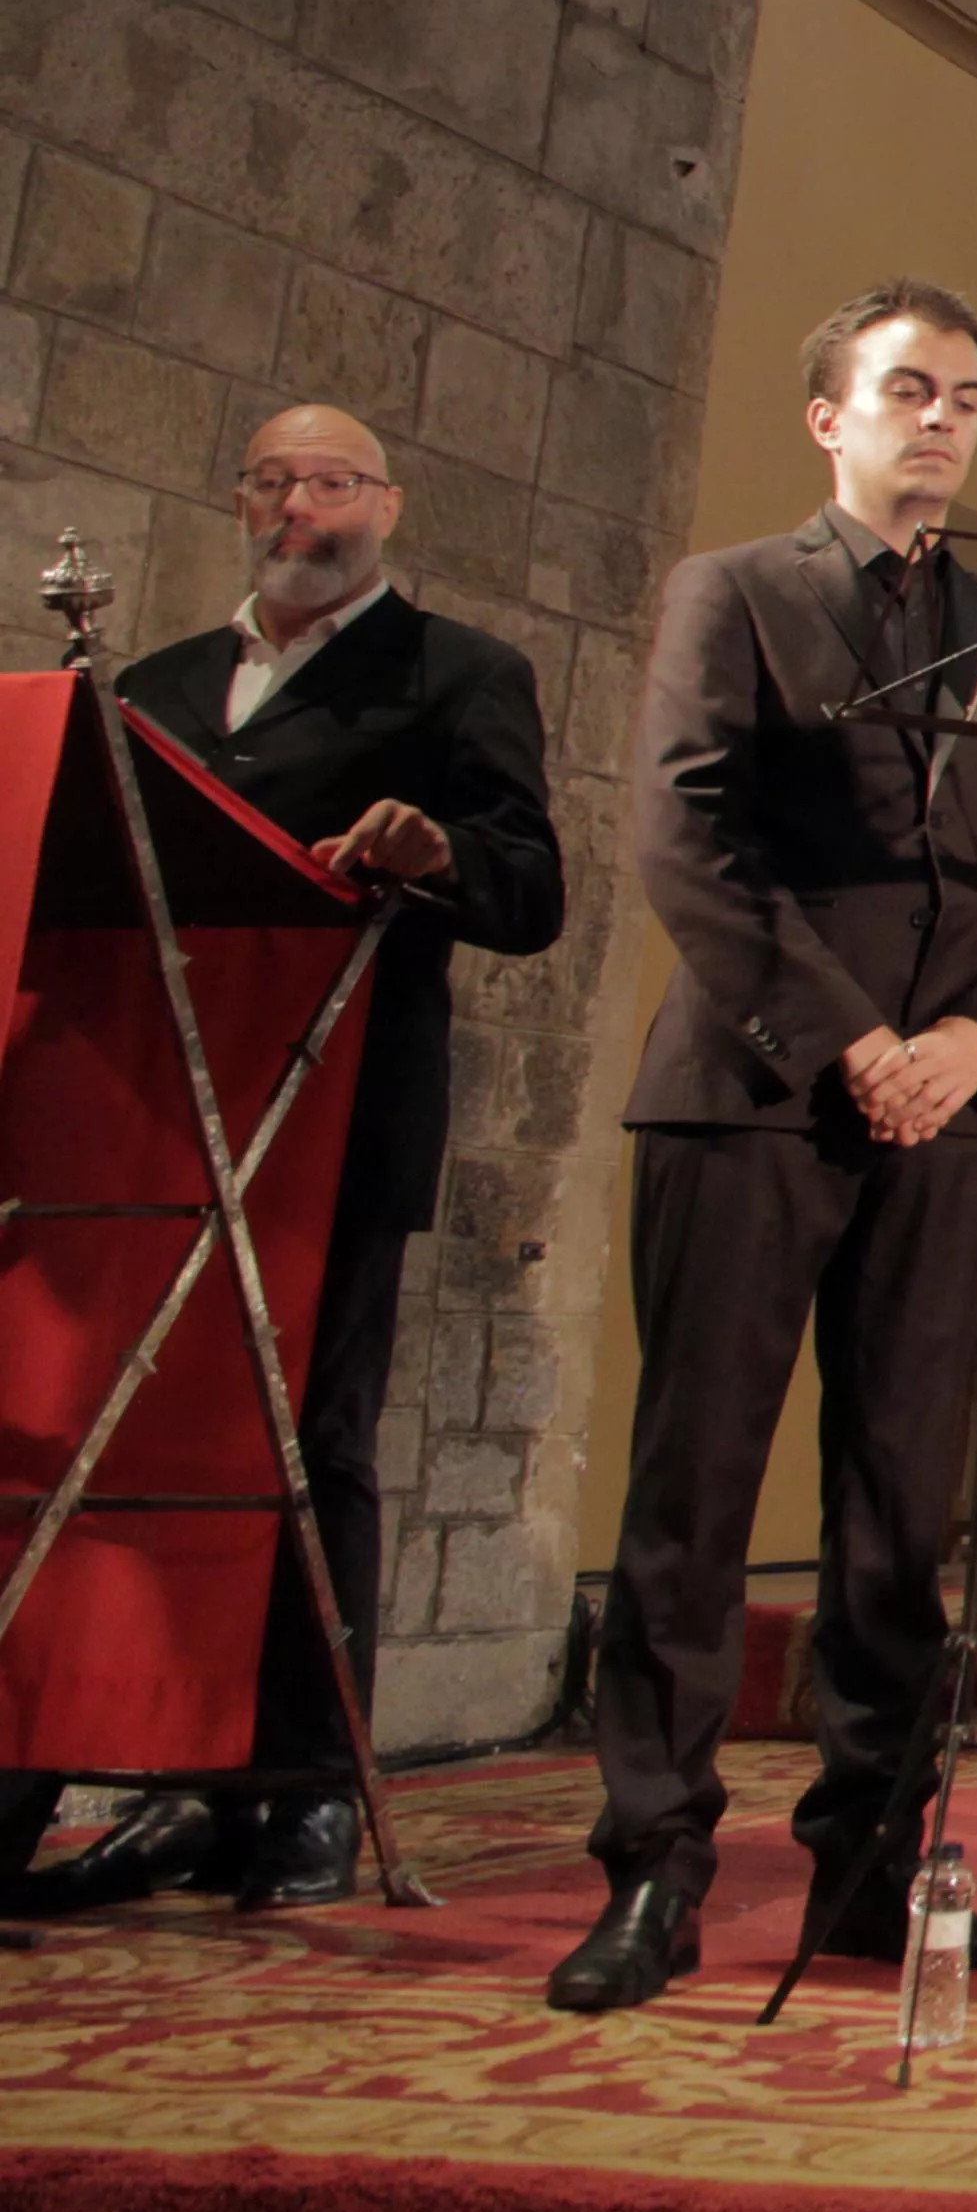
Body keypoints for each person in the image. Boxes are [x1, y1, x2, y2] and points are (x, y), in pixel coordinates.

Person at [546, 285, 977, 2015]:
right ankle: (655, 1866)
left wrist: (969, 1038)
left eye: (967, 396)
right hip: (757, 1088)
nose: (941, 420)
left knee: (898, 1508)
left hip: (951, 1101)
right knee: (694, 1493)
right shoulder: (738, 592)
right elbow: (686, 836)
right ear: (829, 418)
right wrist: (850, 1036)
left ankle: (868, 1862)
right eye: (909, 390)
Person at [0, 408, 562, 1918]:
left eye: (329, 483)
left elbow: (530, 889)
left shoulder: (458, 677)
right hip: (143, 1114)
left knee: (314, 1447)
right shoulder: (165, 685)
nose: (298, 507)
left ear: (387, 504)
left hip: (335, 1112)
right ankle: (83, 1754)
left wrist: (435, 852)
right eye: (271, 481)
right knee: (105, 1439)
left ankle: (298, 1791)